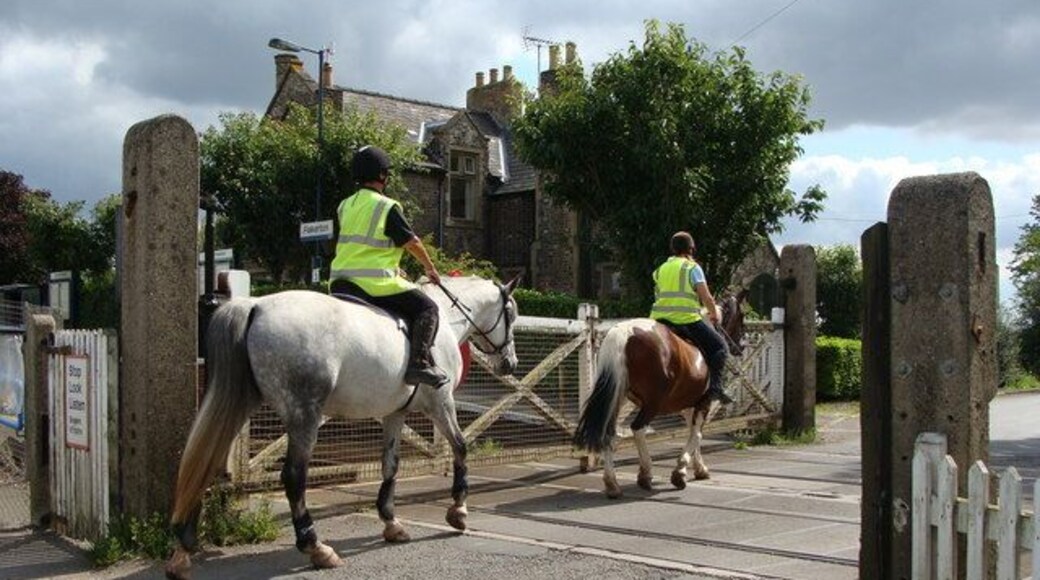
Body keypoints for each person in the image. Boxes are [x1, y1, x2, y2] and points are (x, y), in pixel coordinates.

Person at [328, 145, 449, 388]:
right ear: (382, 175)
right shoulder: (386, 206)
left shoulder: (345, 205)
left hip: (340, 282)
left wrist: (395, 268)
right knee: (428, 309)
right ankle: (419, 363)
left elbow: (363, 247)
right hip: (373, 284)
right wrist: (430, 269)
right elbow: (412, 243)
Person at [649, 231, 733, 405]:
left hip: (658, 320)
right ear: (691, 249)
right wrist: (714, 314)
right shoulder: (692, 268)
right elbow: (707, 298)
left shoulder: (659, 270)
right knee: (720, 348)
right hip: (685, 320)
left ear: (672, 249)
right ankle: (716, 388)